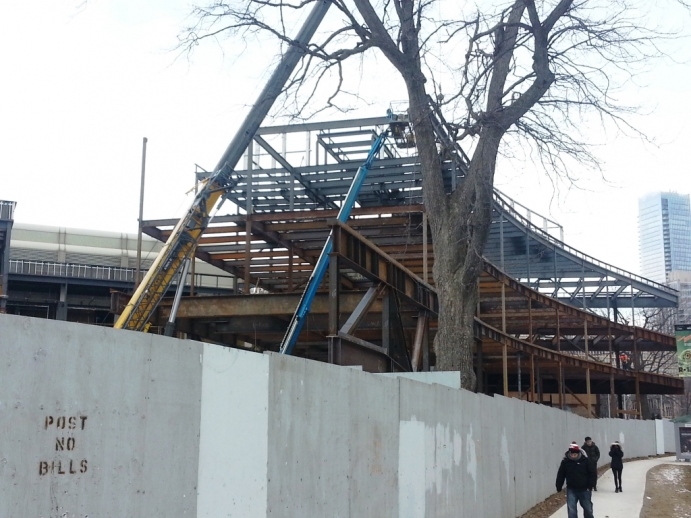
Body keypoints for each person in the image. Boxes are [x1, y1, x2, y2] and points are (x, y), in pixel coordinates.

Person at [556, 443, 597, 518]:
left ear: (578, 453)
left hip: (585, 489)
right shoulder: (565, 462)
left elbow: (592, 473)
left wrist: (591, 485)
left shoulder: (585, 461)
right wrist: (559, 485)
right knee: (572, 510)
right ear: (569, 454)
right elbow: (561, 474)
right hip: (571, 489)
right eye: (572, 454)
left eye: (575, 454)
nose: (573, 456)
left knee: (588, 509)